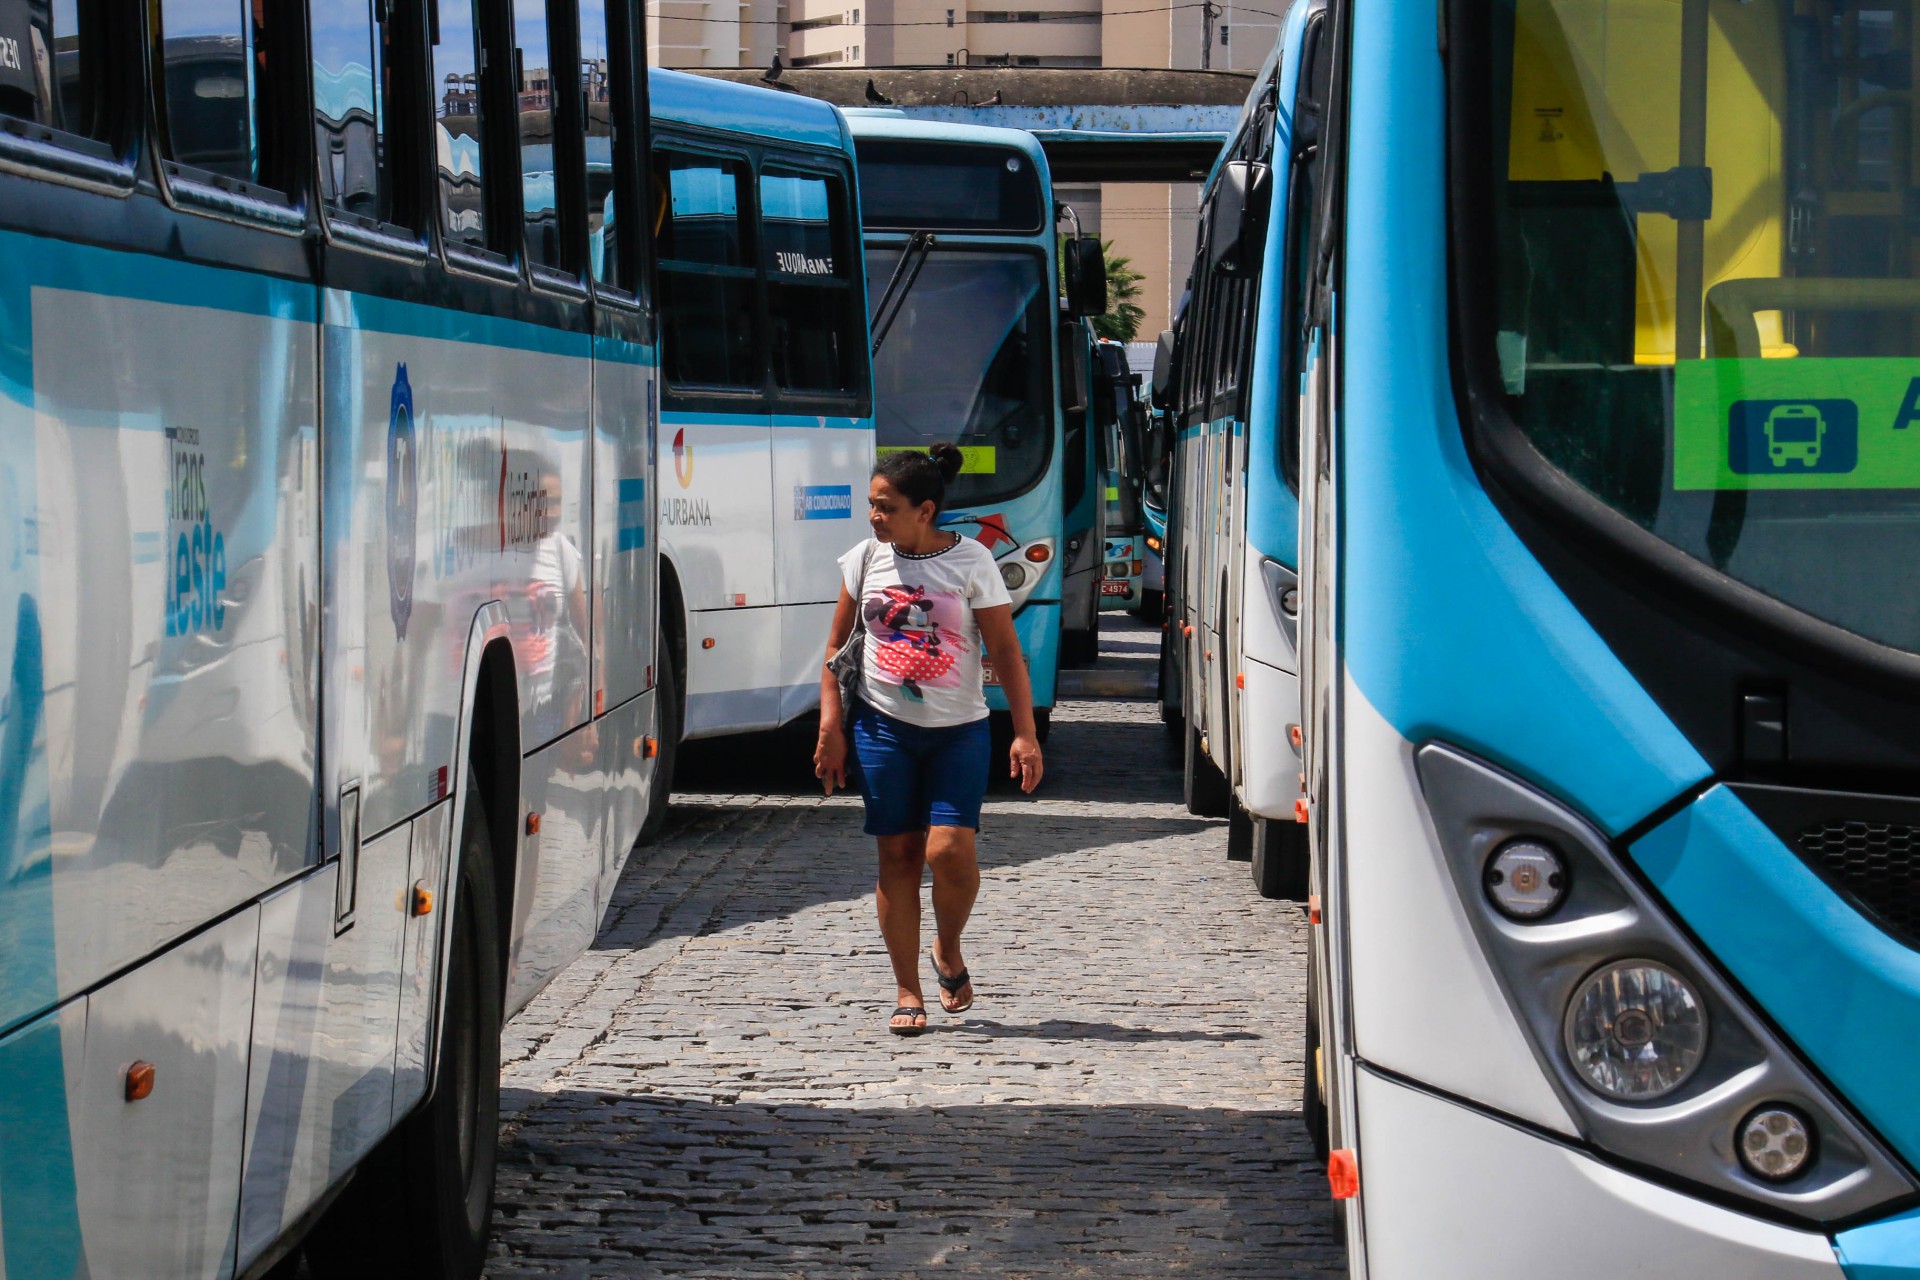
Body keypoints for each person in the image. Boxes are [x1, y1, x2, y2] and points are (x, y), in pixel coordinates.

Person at [813, 444, 1044, 1035]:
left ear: (925, 509)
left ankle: (947, 947)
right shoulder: (864, 560)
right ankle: (907, 988)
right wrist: (830, 728)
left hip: (958, 733)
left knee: (948, 850)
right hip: (882, 729)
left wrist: (1024, 733)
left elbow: (1008, 654)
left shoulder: (971, 562)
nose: (874, 517)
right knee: (897, 853)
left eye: (885, 507)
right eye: (871, 505)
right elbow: (837, 651)